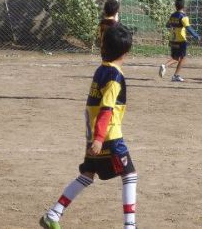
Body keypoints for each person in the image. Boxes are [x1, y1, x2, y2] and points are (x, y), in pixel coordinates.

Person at [39, 25, 137, 229]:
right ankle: (130, 226)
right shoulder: (115, 77)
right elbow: (106, 109)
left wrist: (95, 137)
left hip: (93, 134)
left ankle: (53, 214)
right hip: (108, 135)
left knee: (87, 175)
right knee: (129, 175)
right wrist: (100, 138)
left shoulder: (101, 70)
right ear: (126, 52)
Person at [159, 0, 200, 82]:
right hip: (181, 40)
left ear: (175, 6)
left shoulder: (172, 15)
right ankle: (175, 75)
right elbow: (188, 28)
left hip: (172, 40)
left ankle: (165, 66)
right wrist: (196, 35)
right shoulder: (184, 17)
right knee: (183, 58)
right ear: (183, 6)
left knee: (176, 58)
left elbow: (167, 25)